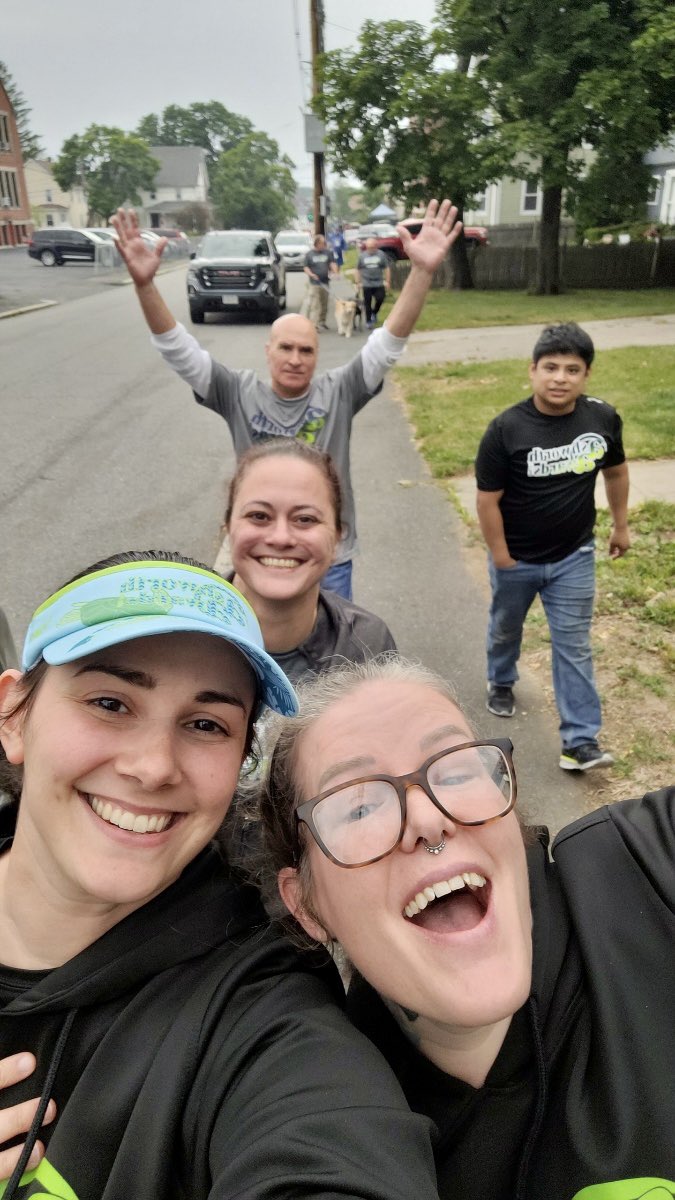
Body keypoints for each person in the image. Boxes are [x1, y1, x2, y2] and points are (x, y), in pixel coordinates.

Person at [0, 556, 440, 1200]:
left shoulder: (259, 1012)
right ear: (14, 714)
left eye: (206, 725)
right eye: (110, 702)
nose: (153, 767)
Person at [259, 656, 675, 1198]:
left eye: (455, 771)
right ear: (308, 908)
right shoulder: (333, 1108)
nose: (429, 819)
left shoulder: (644, 867)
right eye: (359, 808)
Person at [111, 200, 463, 603]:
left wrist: (421, 272)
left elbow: (388, 344)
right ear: (268, 351)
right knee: (258, 658)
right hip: (261, 554)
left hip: (329, 556)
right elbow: (178, 350)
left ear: (317, 355)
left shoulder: (341, 390)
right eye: (286, 348)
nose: (295, 359)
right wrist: (144, 285)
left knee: (334, 659)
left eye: (306, 350)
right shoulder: (237, 392)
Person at [475, 321, 630, 771]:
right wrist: (502, 556)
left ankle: (580, 742)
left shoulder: (602, 418)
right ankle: (501, 679)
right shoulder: (506, 429)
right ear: (533, 371)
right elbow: (488, 500)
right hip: (516, 559)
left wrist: (620, 526)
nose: (560, 377)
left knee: (574, 645)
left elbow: (616, 472)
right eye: (551, 367)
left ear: (587, 375)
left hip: (574, 558)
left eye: (572, 369)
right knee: (506, 628)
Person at [224, 438, 396, 684]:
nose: (281, 538)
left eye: (305, 519)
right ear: (227, 527)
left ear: (337, 538)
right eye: (259, 516)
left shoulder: (368, 645)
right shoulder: (176, 631)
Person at [303, 234, 338, 331]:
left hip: (325, 282)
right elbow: (306, 267)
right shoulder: (310, 254)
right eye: (322, 243)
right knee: (315, 304)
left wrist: (335, 271)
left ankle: (322, 321)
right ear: (317, 243)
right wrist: (311, 274)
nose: (324, 245)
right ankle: (314, 324)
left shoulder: (328, 253)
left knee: (324, 304)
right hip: (314, 283)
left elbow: (332, 263)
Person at [355, 238, 392, 329]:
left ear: (376, 246)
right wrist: (358, 282)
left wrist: (387, 281)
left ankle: (374, 313)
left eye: (372, 247)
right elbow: (357, 269)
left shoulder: (381, 255)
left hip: (378, 282)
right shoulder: (362, 256)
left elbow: (386, 268)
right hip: (366, 283)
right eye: (368, 247)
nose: (370, 249)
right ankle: (368, 321)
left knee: (380, 299)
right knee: (367, 303)